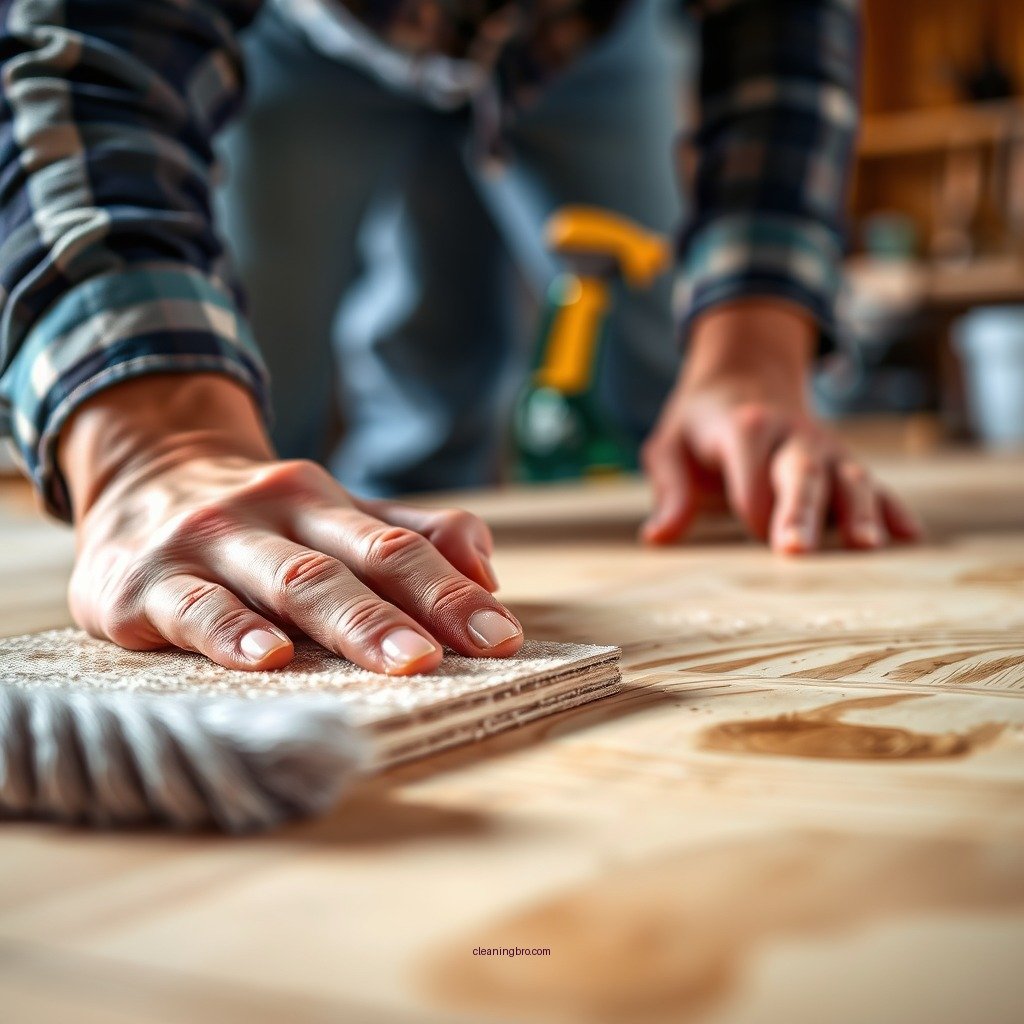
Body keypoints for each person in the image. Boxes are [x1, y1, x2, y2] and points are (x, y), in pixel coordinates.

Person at [0, 0, 919, 676]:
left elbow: (789, 39)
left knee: (665, 389)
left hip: (582, 38)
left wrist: (753, 350)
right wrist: (152, 447)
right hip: (300, 33)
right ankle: (352, 552)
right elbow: (82, 59)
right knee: (242, 390)